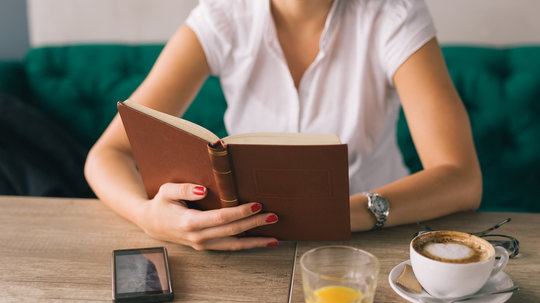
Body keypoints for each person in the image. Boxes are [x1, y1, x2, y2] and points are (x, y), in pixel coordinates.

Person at [84, 0, 482, 251]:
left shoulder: (393, 14)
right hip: (253, 249)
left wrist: (347, 214)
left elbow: (462, 178)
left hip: (375, 241)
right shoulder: (222, 16)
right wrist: (147, 215)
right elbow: (107, 154)